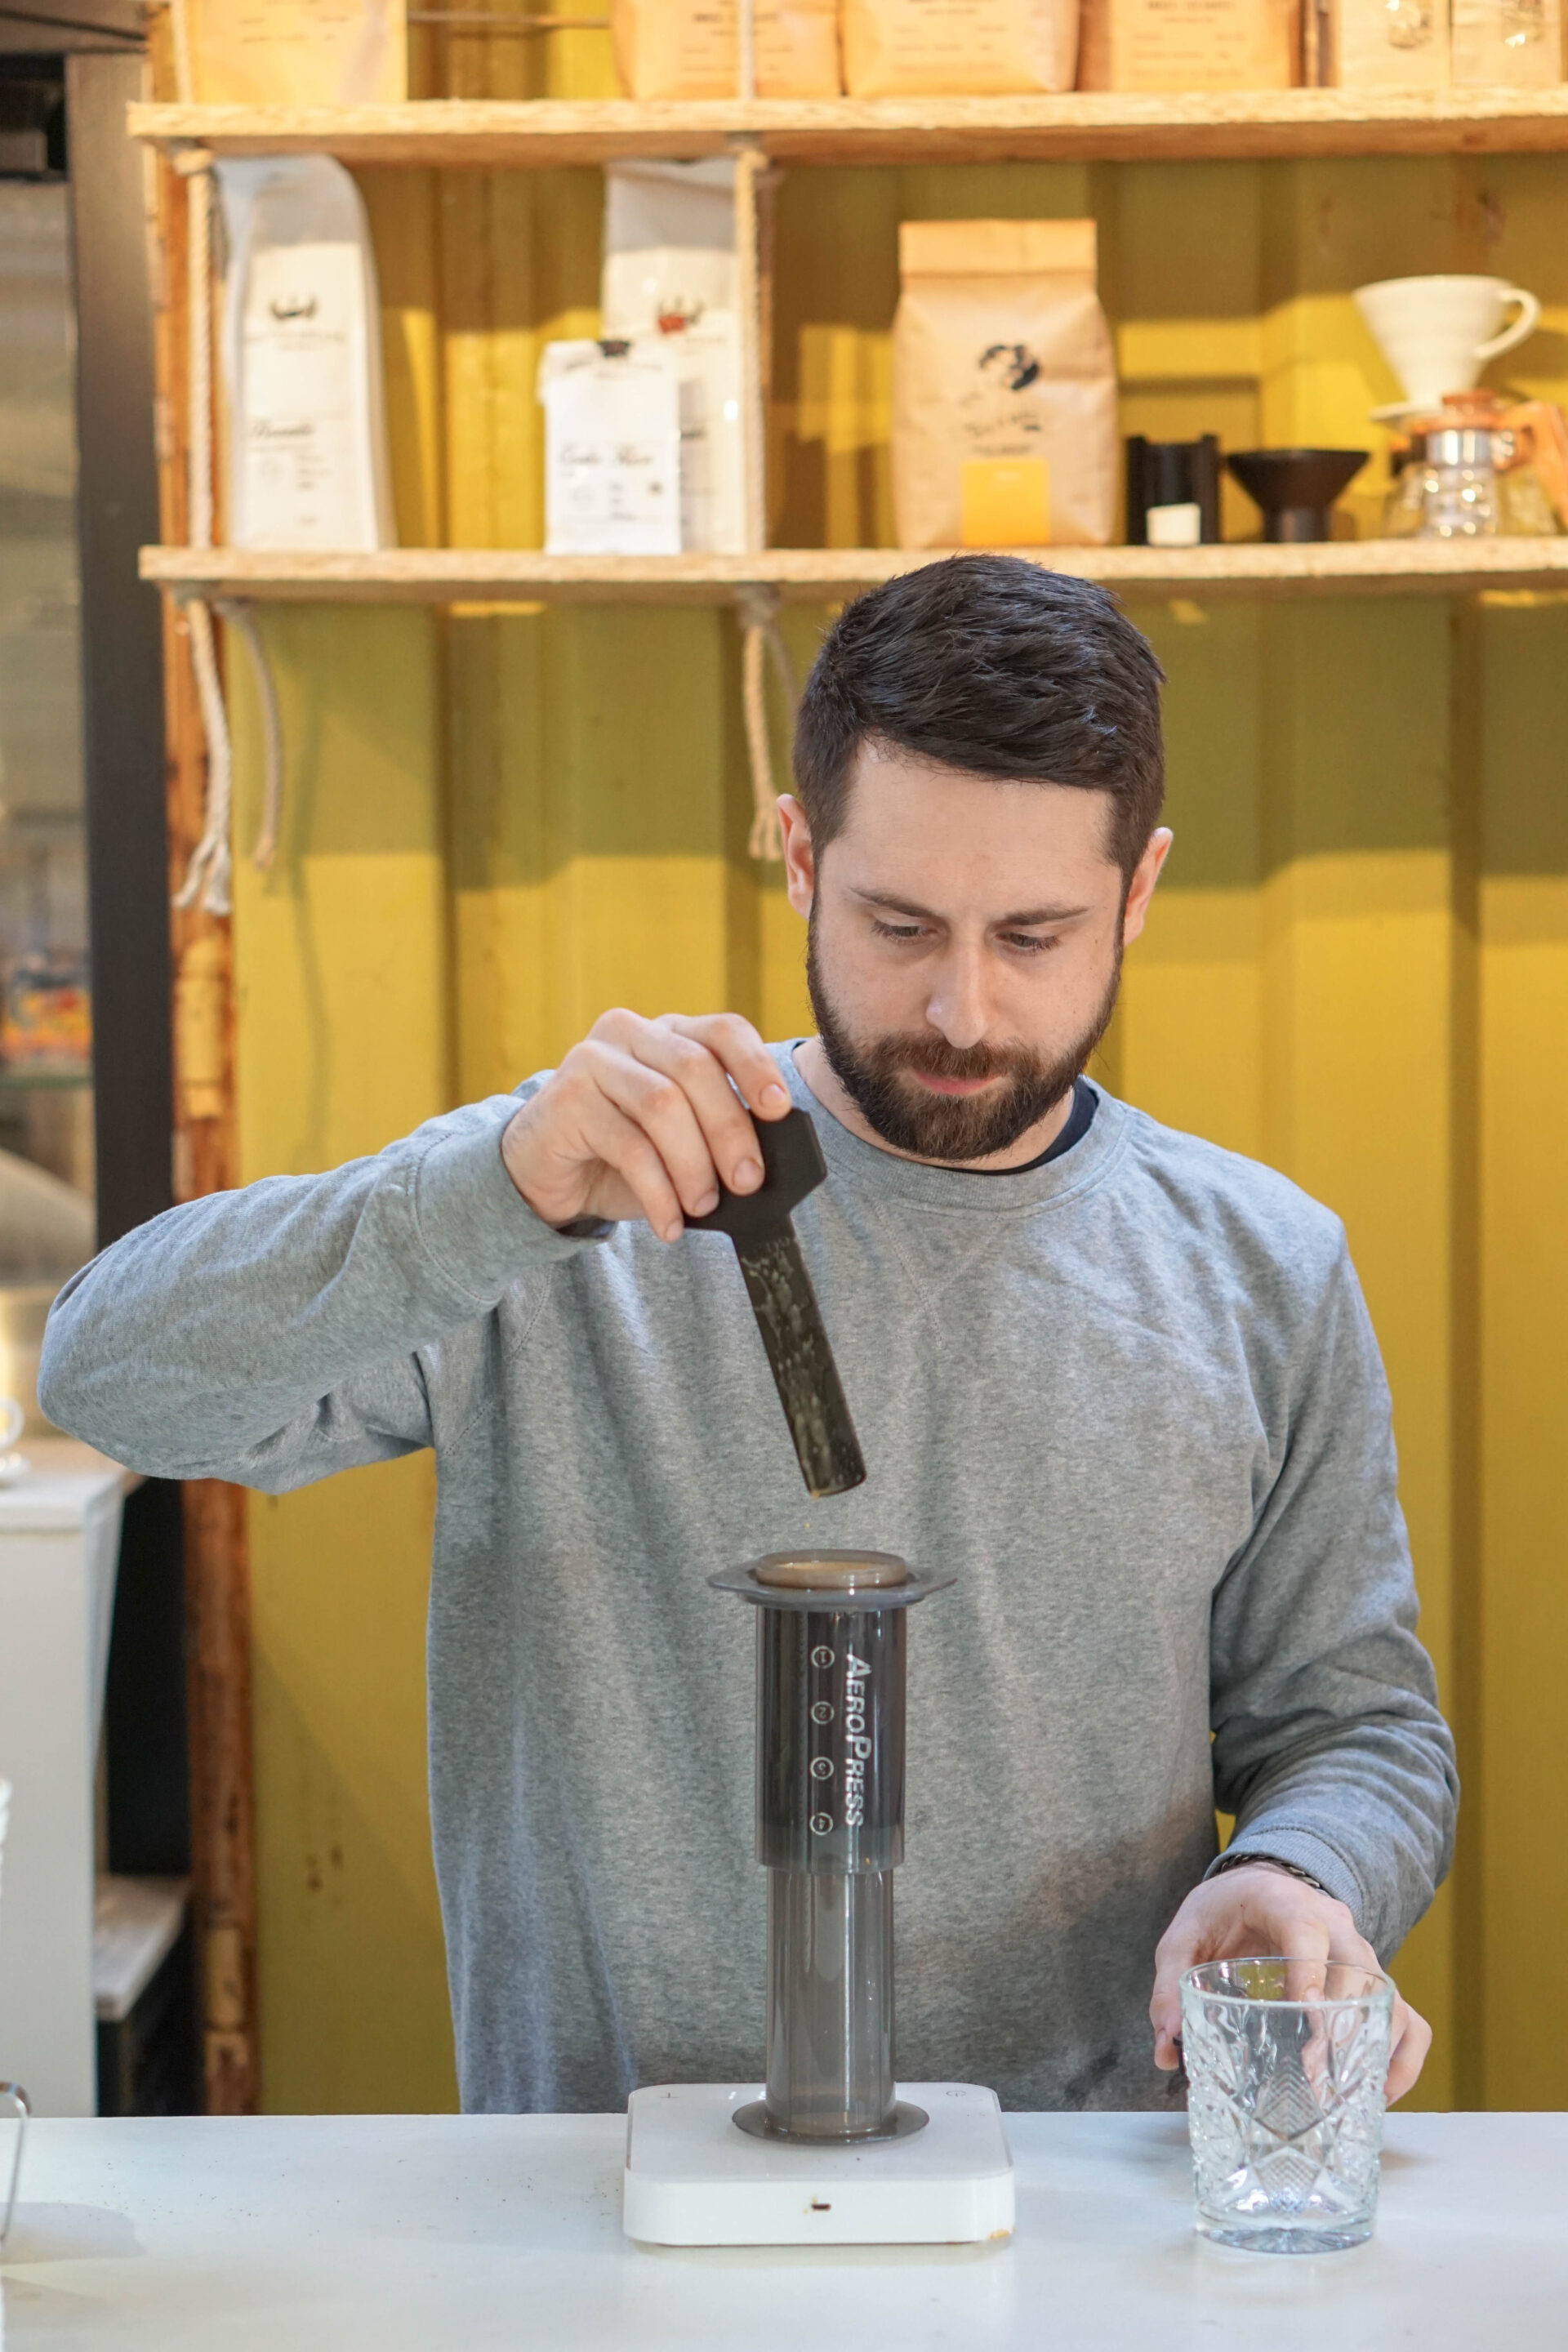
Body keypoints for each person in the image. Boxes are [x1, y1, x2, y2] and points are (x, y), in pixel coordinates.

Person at [41, 556, 1456, 2115]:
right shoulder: (574, 1202)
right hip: (610, 2212)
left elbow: (1360, 1728)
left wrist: (1304, 1872)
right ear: (798, 857)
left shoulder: (1262, 1268)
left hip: (1081, 2215)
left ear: (1140, 891)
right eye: (900, 922)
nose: (965, 1011)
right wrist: (494, 1186)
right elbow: (114, 1379)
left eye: (1037, 935)